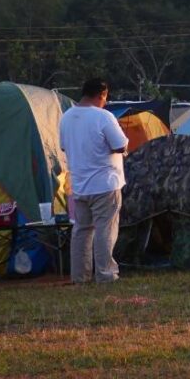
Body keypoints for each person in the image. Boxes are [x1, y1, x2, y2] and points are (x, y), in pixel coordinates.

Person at [59, 77, 129, 284]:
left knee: (82, 230)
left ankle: (79, 276)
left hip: (79, 185)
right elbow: (120, 145)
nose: (105, 102)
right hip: (105, 184)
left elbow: (63, 146)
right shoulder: (103, 116)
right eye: (105, 98)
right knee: (104, 230)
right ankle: (106, 275)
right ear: (101, 95)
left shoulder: (66, 117)